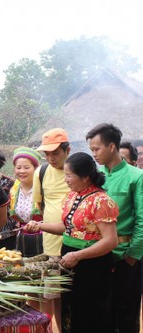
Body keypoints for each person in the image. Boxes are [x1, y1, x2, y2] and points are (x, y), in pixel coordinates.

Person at [25, 152, 119, 333]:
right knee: (70, 308)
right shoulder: (72, 196)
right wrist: (40, 226)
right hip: (69, 260)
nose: (65, 180)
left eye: (69, 176)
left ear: (85, 177)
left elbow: (110, 240)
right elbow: (67, 227)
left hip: (92, 265)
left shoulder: (100, 201)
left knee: (90, 311)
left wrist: (78, 255)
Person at [86, 123, 143, 333]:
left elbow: (142, 219)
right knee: (101, 313)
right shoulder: (95, 176)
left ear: (112, 147)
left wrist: (133, 256)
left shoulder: (136, 177)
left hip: (124, 257)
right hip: (97, 256)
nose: (93, 154)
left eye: (96, 149)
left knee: (125, 314)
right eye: (91, 149)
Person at [32, 128, 70, 332]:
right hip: (51, 245)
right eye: (47, 154)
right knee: (52, 293)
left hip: (78, 244)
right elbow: (40, 205)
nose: (51, 158)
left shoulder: (80, 170)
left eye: (55, 153)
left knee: (75, 294)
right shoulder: (42, 171)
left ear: (68, 150)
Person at [9, 147, 43, 257]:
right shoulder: (14, 189)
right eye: (18, 167)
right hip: (21, 238)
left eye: (27, 167)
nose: (22, 171)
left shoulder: (43, 188)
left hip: (43, 238)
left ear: (35, 168)